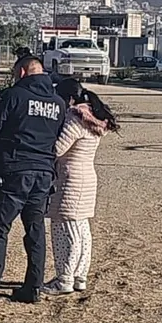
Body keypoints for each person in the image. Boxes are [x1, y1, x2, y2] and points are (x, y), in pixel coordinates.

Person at [0, 55, 66, 304]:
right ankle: (33, 287)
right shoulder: (58, 103)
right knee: (35, 231)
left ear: (21, 73)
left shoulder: (15, 95)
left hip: (14, 172)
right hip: (43, 174)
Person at [43, 79, 119, 295]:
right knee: (82, 230)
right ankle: (79, 276)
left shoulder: (74, 118)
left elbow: (58, 149)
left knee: (65, 231)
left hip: (70, 180)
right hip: (86, 177)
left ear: (68, 99)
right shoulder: (94, 118)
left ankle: (64, 279)